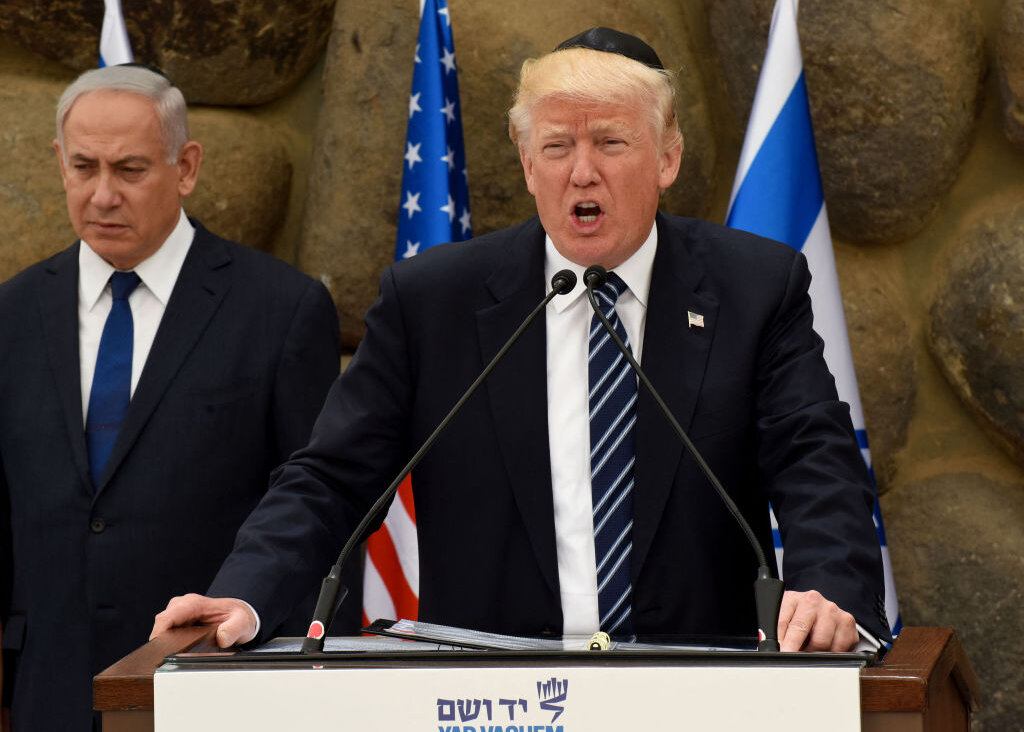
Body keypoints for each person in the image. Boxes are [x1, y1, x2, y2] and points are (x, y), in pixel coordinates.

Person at [152, 28, 891, 655]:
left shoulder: (753, 289)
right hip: (489, 705)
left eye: (611, 142)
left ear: (667, 158)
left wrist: (828, 590)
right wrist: (246, 596)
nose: (582, 171)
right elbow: (332, 479)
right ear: (526, 160)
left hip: (694, 688)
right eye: (557, 145)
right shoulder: (434, 300)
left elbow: (814, 463)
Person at [0, 64, 351, 731]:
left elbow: (320, 510)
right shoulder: (12, 315)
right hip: (51, 694)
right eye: (83, 167)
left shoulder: (279, 310)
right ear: (58, 163)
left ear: (186, 166)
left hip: (220, 693)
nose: (102, 195)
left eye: (130, 170)